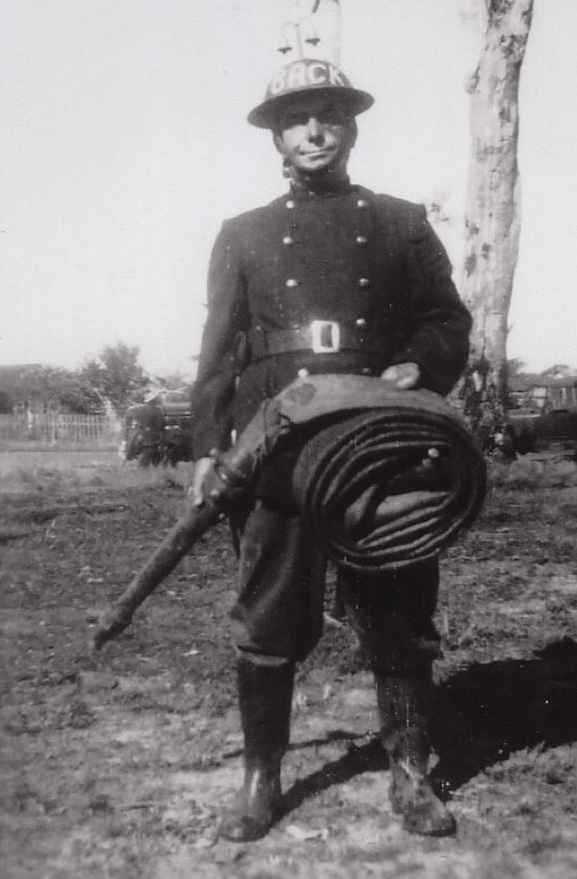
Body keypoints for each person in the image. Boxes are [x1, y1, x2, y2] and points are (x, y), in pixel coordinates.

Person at [190, 57, 472, 841]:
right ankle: (260, 777)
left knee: (396, 607)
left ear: (350, 128)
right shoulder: (242, 234)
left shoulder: (399, 221)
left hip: (375, 445)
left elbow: (446, 319)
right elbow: (218, 351)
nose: (314, 131)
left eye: (329, 116)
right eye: (296, 118)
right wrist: (209, 447)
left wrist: (421, 360)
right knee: (269, 616)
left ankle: (412, 774)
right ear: (275, 135)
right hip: (274, 448)